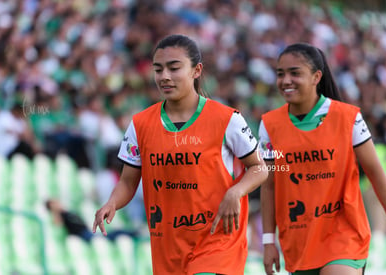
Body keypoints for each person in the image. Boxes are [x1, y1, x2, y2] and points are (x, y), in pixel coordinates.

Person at [92, 34, 268, 275]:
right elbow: (128, 181)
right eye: (158, 69)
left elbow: (260, 167)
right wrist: (111, 203)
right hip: (168, 245)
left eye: (174, 68)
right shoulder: (140, 124)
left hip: (217, 240)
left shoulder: (228, 119)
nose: (164, 76)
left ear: (196, 70)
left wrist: (235, 192)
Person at [258, 42, 386, 275]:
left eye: (295, 73)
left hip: (344, 234)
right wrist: (268, 240)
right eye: (280, 74)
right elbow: (270, 185)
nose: (285, 80)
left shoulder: (348, 117)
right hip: (299, 238)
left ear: (316, 77)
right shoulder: (270, 126)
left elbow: (375, 172)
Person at [45, 199, 138, 242]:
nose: (58, 203)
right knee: (108, 237)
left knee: (113, 233)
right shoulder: (60, 215)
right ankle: (134, 233)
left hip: (86, 232)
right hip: (82, 234)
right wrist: (54, 211)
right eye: (55, 203)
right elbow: (57, 224)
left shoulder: (67, 212)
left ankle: (133, 233)